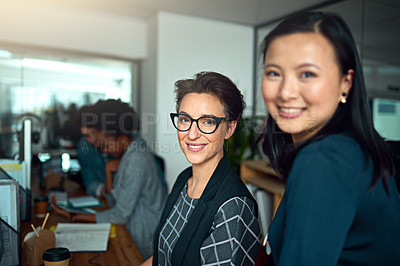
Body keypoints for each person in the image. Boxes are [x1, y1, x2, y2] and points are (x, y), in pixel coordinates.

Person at [259, 11, 400, 265]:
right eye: (274, 73)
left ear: (346, 83)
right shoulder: (349, 150)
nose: (286, 92)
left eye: (307, 74)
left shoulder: (325, 158)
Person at [142, 72, 261, 266]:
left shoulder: (234, 207)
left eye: (208, 122)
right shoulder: (184, 179)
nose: (192, 134)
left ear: (229, 129)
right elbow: (164, 255)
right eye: (185, 119)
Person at [52, 99, 166, 259]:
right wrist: (108, 171)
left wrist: (74, 216)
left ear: (114, 135)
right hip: (133, 232)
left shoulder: (136, 159)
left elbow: (120, 214)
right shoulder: (129, 154)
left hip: (144, 240)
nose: (103, 148)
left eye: (105, 144)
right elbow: (115, 202)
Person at [73, 104, 112, 196]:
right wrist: (106, 190)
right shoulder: (84, 146)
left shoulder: (124, 142)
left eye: (94, 133)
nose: (92, 139)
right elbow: (89, 182)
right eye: (86, 136)